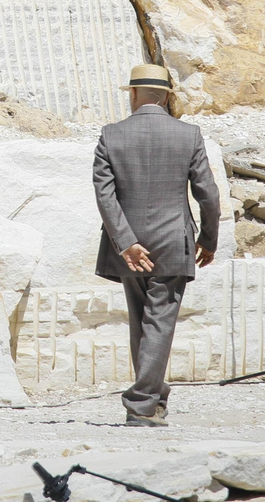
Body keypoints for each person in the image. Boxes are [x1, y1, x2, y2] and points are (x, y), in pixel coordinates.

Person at [93, 64, 222, 426]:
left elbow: (105, 196)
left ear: (133, 94)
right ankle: (143, 403)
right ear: (165, 96)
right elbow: (208, 194)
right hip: (172, 241)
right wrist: (208, 239)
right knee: (160, 322)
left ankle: (153, 395)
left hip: (129, 246)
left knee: (141, 321)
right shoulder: (189, 135)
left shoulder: (110, 135)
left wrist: (127, 242)